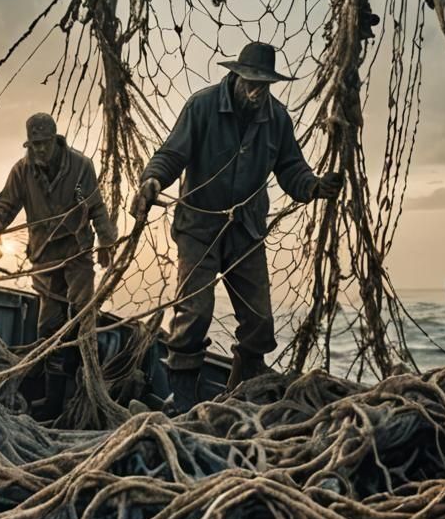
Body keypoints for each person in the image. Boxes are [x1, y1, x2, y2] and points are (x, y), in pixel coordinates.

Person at [131, 42, 343, 412]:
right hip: (198, 228)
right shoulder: (202, 106)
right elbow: (172, 154)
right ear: (236, 76)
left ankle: (241, 392)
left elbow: (291, 167)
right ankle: (183, 400)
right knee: (195, 313)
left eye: (264, 84)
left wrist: (313, 187)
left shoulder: (277, 119)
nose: (257, 91)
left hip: (245, 230)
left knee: (259, 320)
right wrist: (152, 181)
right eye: (251, 82)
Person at [0, 113, 118, 416]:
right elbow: (5, 203)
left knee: (82, 317)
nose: (40, 150)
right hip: (44, 257)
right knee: (48, 326)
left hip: (77, 253)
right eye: (34, 145)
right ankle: (53, 400)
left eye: (44, 143)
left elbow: (96, 207)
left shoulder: (81, 166)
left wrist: (106, 241)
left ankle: (88, 389)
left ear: (55, 140)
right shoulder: (22, 170)